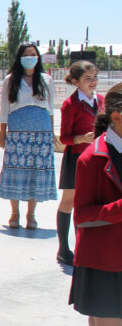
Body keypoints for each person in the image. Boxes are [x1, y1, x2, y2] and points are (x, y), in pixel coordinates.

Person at [55, 82, 122, 326]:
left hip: (117, 260)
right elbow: (83, 216)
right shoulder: (91, 158)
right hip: (102, 263)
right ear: (116, 116)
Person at [0, 42, 57, 229]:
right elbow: (5, 108)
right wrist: (2, 132)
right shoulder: (10, 79)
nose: (29, 57)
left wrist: (52, 132)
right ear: (20, 58)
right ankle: (15, 213)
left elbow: (51, 108)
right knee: (15, 169)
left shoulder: (46, 79)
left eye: (33, 54)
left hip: (42, 132)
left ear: (38, 57)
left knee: (35, 171)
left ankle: (31, 214)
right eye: (26, 54)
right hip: (18, 132)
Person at [56, 61, 102, 267]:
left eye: (95, 77)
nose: (93, 82)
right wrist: (81, 139)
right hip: (76, 158)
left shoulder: (101, 101)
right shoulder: (70, 104)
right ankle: (64, 249)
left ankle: (84, 246)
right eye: (87, 79)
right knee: (69, 202)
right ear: (76, 82)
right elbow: (64, 137)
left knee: (91, 203)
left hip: (97, 158)